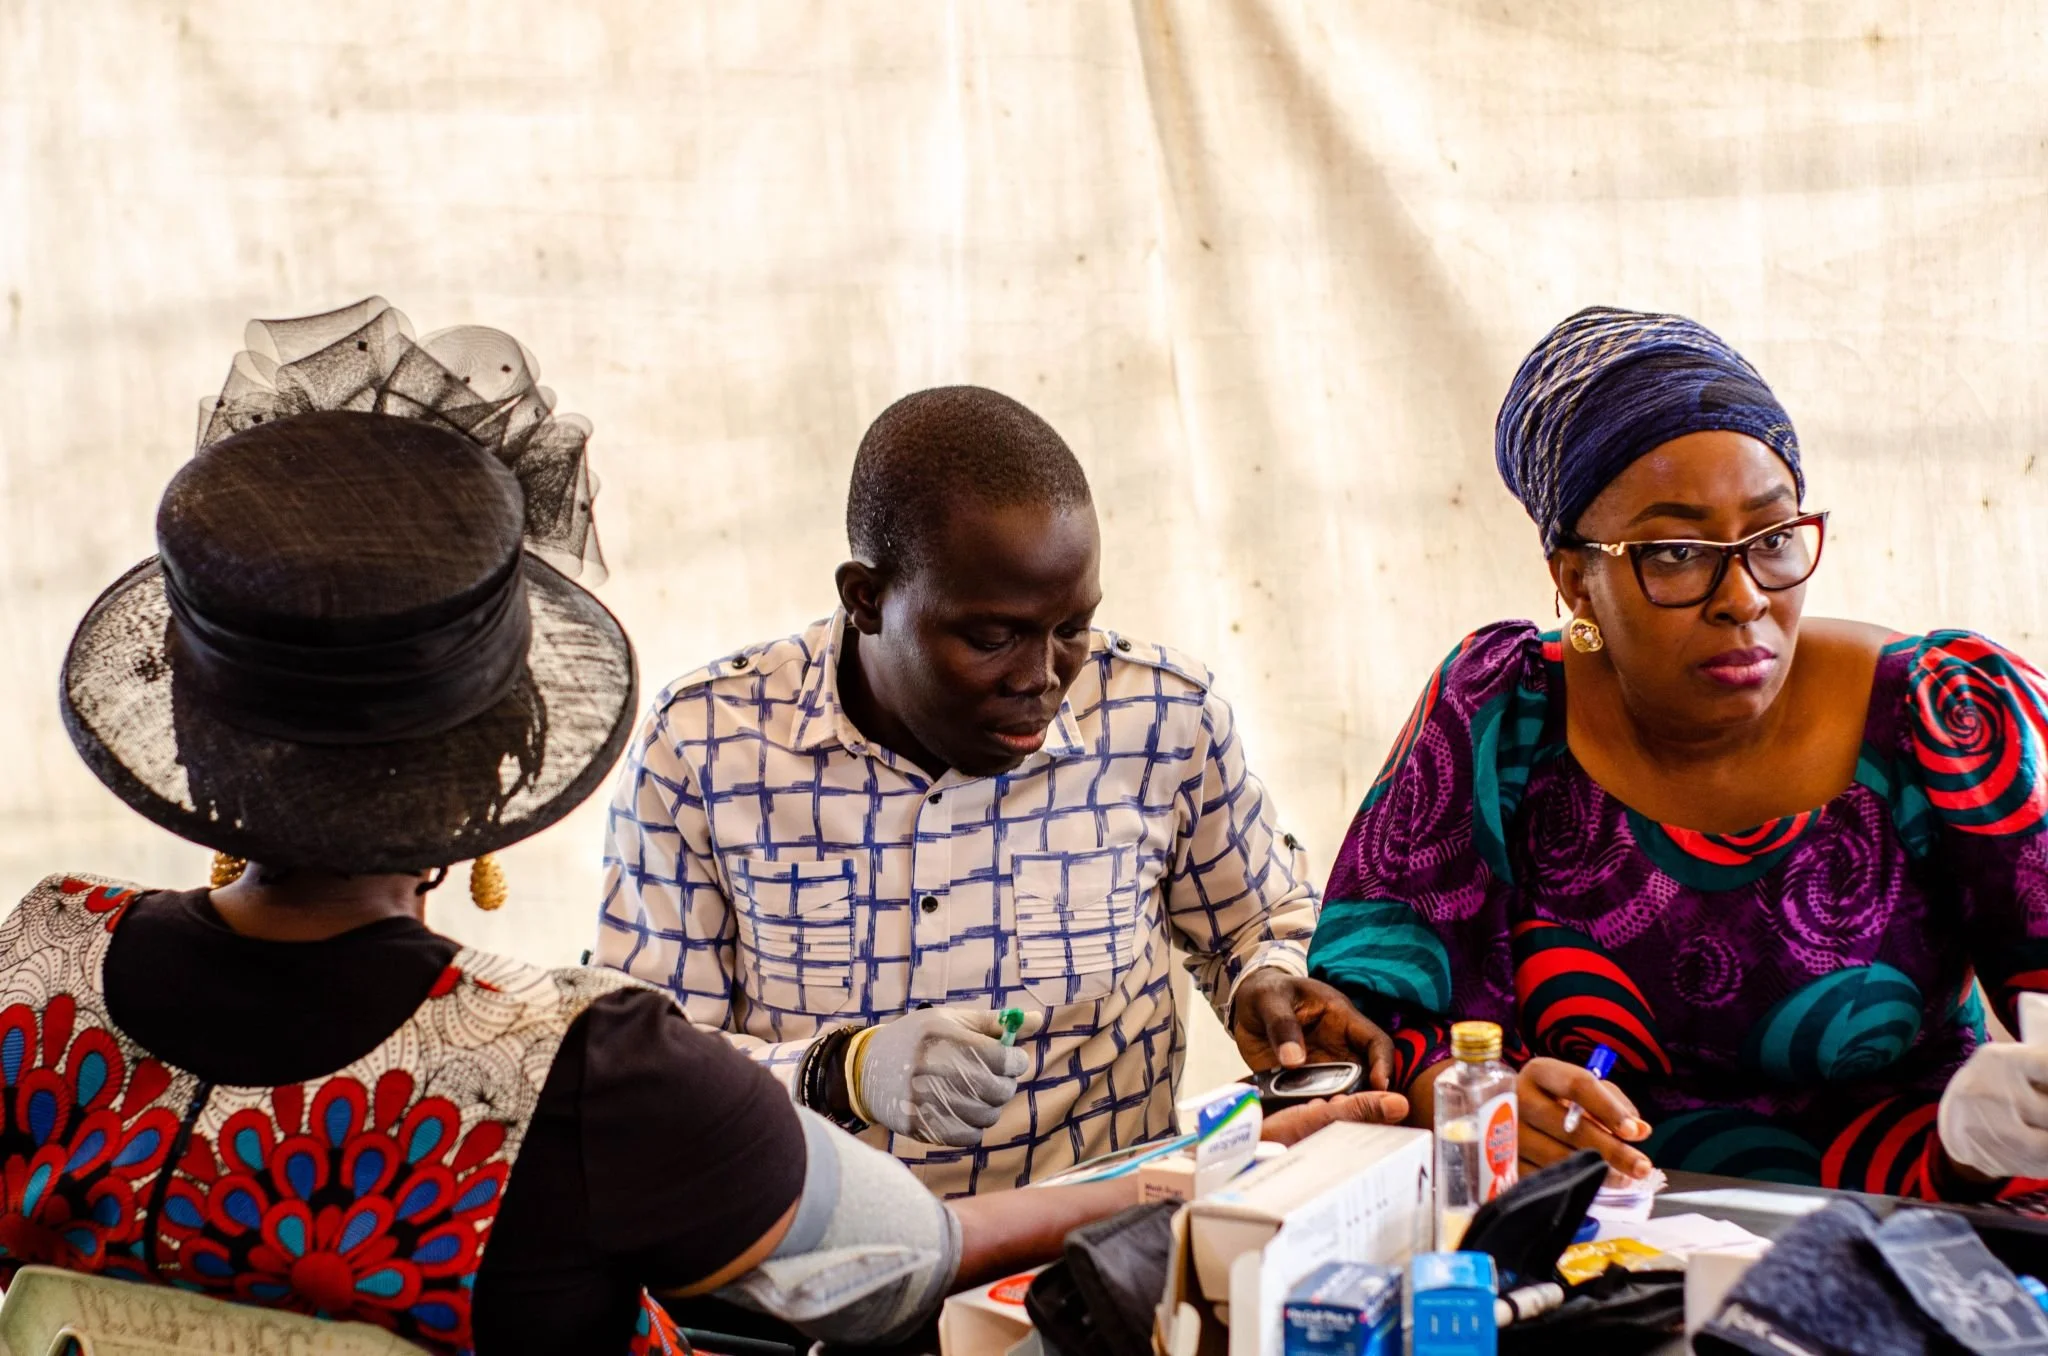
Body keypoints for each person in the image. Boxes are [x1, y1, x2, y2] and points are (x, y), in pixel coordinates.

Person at [17, 302, 1143, 1355]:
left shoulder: (37, 976)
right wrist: (1168, 1191)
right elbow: (898, 1268)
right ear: (500, 766)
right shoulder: (577, 1066)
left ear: (191, 723)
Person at [1306, 305, 2048, 1205]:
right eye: (1676, 553)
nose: (1742, 598)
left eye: (1773, 540)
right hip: (1591, 1243)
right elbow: (1370, 1019)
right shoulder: (1501, 713)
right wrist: (1466, 1096)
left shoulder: (1947, 715)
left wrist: (1998, 1127)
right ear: (1575, 578)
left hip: (1916, 1229)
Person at [598, 385, 1403, 1197]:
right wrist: (839, 1072)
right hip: (806, 1259)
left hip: (1090, 1257)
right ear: (867, 599)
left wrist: (1264, 977)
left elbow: (1259, 920)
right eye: (992, 638)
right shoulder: (706, 748)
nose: (1042, 679)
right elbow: (638, 1069)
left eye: (1072, 629)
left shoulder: (1160, 719)